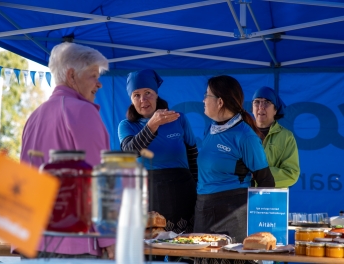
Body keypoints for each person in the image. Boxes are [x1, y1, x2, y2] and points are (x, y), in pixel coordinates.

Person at [20, 42, 114, 259]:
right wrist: (110, 239)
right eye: (93, 75)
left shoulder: (34, 116)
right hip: (74, 244)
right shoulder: (83, 111)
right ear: (71, 76)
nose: (99, 84)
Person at [194, 75, 275, 244]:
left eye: (206, 95)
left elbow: (267, 181)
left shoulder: (245, 136)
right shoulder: (210, 129)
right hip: (203, 209)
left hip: (232, 213)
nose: (203, 100)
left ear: (220, 102)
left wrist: (263, 225)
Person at [118, 69, 198, 234]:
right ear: (131, 99)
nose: (143, 100)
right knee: (152, 251)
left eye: (148, 93)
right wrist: (152, 125)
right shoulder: (126, 125)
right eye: (136, 95)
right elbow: (130, 152)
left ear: (156, 94)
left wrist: (199, 192)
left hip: (183, 192)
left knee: (185, 249)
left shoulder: (178, 118)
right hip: (149, 195)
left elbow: (193, 157)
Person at [252, 86, 300, 188]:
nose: (261, 106)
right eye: (257, 102)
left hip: (271, 199)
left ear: (275, 110)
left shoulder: (286, 137)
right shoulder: (241, 134)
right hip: (241, 198)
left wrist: (256, 174)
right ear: (252, 108)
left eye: (267, 102)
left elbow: (291, 174)